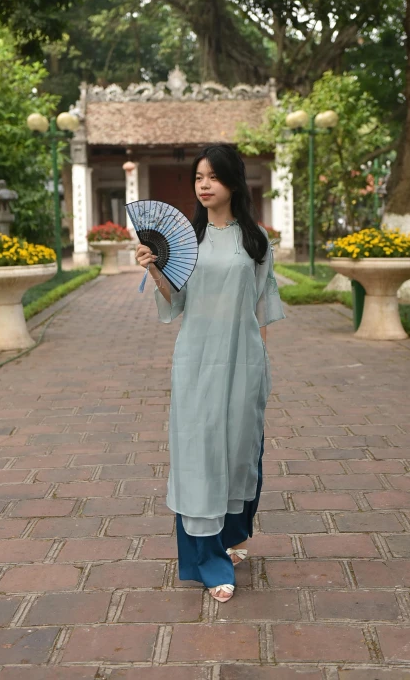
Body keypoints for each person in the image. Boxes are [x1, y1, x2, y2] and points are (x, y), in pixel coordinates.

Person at [135, 143, 286, 603]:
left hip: (244, 361)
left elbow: (261, 308)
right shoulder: (186, 242)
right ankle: (206, 560)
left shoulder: (255, 240)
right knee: (199, 454)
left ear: (233, 182)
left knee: (239, 451)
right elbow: (175, 303)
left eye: (213, 177)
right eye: (198, 177)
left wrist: (261, 368)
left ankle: (228, 537)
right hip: (197, 361)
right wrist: (155, 270)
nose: (203, 185)